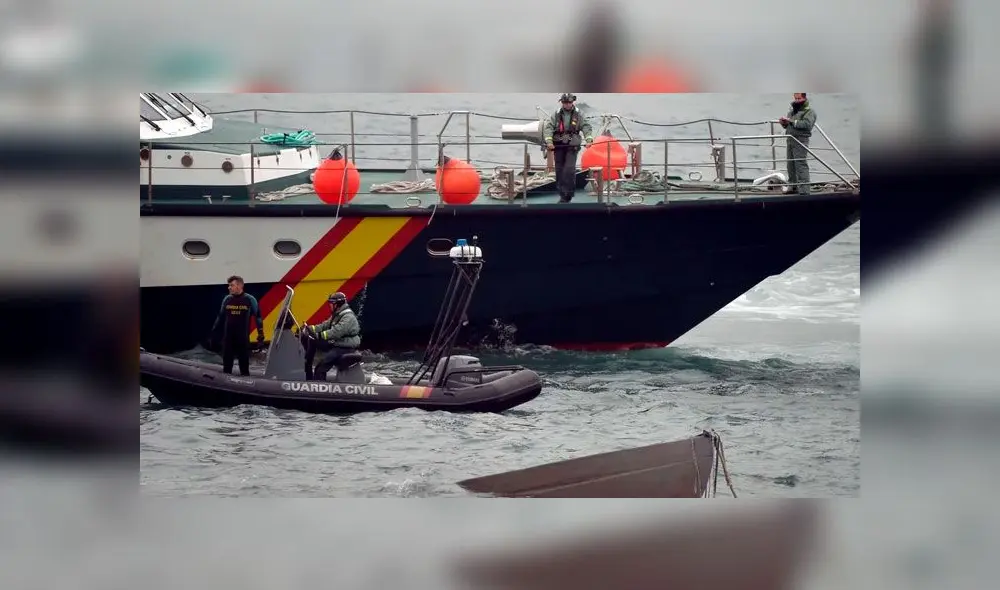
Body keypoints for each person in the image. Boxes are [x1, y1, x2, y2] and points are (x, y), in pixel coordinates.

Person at [543, 93, 594, 202]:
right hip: (559, 144)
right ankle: (562, 194)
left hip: (572, 145)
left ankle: (569, 194)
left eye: (569, 102)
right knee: (559, 170)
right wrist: (549, 141)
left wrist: (589, 139)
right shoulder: (556, 114)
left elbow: (586, 126)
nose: (567, 104)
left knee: (569, 169)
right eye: (565, 102)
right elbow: (548, 128)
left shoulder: (579, 114)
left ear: (572, 102)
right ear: (562, 103)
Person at [210, 275, 264, 375]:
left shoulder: (249, 299)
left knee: (244, 367)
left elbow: (258, 317)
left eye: (231, 285)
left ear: (239, 286)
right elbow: (220, 316)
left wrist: (260, 335)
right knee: (227, 366)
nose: (229, 287)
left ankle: (245, 380)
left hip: (242, 338)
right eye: (229, 285)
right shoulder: (227, 299)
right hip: (228, 338)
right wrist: (214, 333)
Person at [301, 292, 361, 381]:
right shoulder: (337, 314)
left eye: (331, 304)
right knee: (314, 341)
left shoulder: (348, 317)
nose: (330, 306)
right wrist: (310, 329)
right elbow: (325, 325)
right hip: (338, 343)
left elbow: (336, 332)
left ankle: (320, 386)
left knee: (320, 367)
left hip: (345, 347)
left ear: (337, 304)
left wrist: (319, 335)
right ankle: (308, 372)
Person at [778, 93, 817, 195]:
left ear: (804, 98)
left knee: (800, 165)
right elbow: (789, 125)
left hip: (801, 140)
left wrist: (791, 121)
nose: (796, 101)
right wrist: (784, 123)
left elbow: (807, 125)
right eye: (795, 98)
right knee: (790, 165)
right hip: (790, 139)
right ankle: (793, 186)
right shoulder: (792, 111)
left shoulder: (809, 111)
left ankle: (804, 190)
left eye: (799, 98)